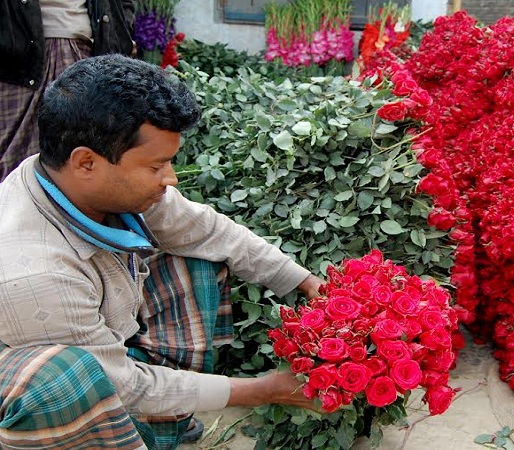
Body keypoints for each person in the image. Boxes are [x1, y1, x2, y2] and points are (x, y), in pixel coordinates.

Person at [0, 54, 324, 449]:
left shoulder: (92, 182)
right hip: (59, 380)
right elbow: (121, 384)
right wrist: (263, 390)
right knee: (62, 380)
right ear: (86, 161)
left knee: (199, 256)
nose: (169, 178)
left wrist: (308, 283)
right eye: (156, 166)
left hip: (108, 331)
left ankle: (166, 421)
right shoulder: (32, 271)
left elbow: (210, 231)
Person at [0, 0, 137, 181]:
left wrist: (120, 30)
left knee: (79, 158)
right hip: (14, 54)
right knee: (12, 159)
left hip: (83, 48)